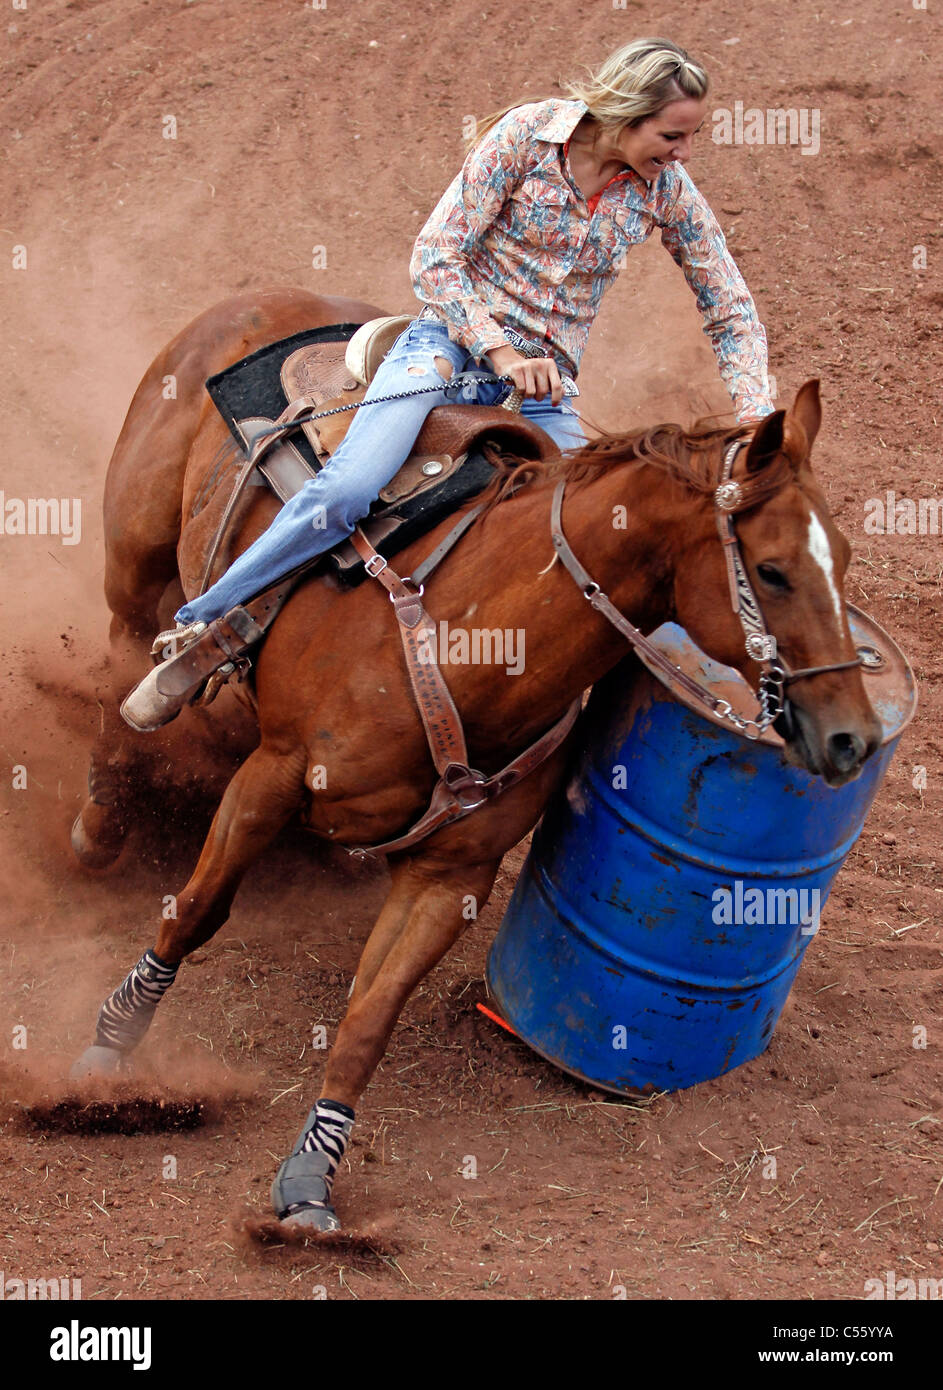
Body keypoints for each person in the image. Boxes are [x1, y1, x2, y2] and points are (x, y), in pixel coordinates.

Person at [122, 35, 775, 732]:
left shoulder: (664, 191)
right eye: (672, 135)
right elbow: (437, 256)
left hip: (545, 390)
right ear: (623, 114)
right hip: (448, 349)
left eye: (690, 137)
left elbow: (728, 304)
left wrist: (756, 410)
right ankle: (200, 629)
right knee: (348, 488)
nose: (682, 152)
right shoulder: (526, 137)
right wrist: (497, 349)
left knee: (601, 538)